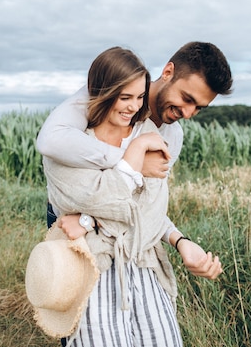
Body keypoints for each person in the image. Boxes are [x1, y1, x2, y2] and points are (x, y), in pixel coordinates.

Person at [37, 41, 233, 280]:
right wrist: (132, 159)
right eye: (186, 98)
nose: (188, 113)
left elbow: (147, 202)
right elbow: (49, 141)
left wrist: (180, 241)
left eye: (199, 108)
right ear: (168, 72)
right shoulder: (105, 97)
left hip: (112, 231)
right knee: (66, 296)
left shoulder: (172, 135)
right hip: (69, 218)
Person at [42, 46, 195, 345]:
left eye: (139, 98)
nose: (134, 107)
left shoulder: (155, 137)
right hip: (90, 260)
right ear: (101, 93)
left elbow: (148, 209)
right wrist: (134, 154)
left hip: (140, 259)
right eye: (125, 97)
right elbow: (93, 197)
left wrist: (89, 221)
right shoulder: (70, 143)